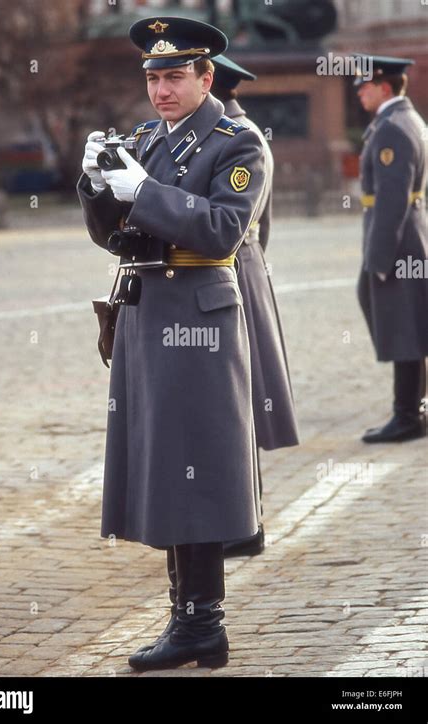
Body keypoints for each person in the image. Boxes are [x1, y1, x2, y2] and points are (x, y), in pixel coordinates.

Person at [77, 17, 266, 671]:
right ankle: (186, 620)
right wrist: (98, 187)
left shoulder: (238, 144)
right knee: (166, 467)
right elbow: (122, 236)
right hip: (149, 311)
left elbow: (220, 231)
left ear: (206, 76)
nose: (161, 90)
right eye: (153, 78)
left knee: (199, 470)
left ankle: (202, 624)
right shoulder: (149, 141)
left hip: (199, 317)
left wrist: (144, 191)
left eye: (174, 77)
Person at [211, 55, 299, 558]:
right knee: (236, 396)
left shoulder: (237, 136)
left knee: (237, 395)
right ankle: (242, 518)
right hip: (245, 263)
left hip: (235, 267)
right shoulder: (238, 130)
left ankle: (245, 523)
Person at [353, 54, 427, 443]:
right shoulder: (404, 120)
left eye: (364, 86)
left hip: (397, 243)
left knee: (402, 327)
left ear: (383, 87)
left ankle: (407, 416)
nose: (359, 93)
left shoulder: (391, 128)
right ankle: (417, 409)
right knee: (410, 324)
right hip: (411, 237)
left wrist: (378, 258)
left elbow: (391, 199)